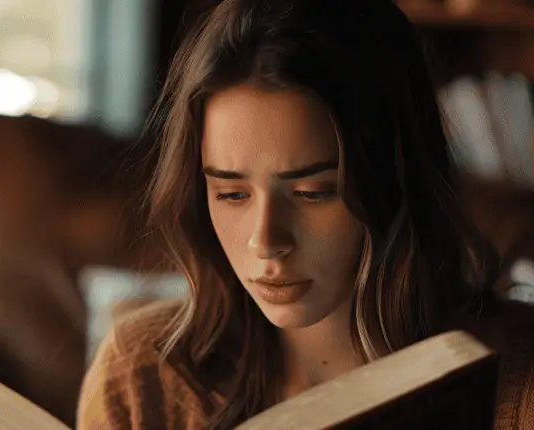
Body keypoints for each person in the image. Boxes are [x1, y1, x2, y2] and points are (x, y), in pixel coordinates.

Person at [76, 0, 534, 429]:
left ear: (393, 184)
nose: (266, 240)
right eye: (232, 194)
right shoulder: (141, 376)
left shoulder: (517, 383)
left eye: (313, 193)